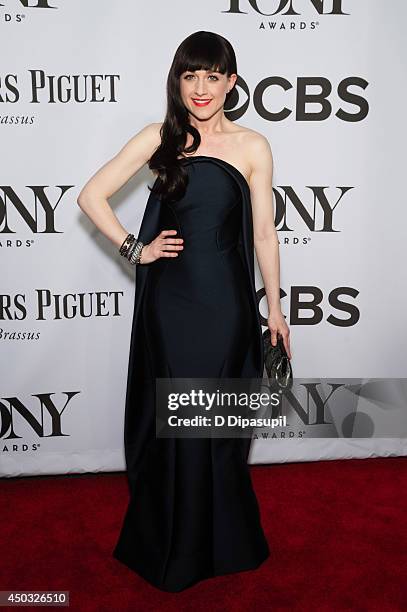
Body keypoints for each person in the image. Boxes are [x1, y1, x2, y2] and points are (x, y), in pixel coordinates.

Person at [77, 30, 291, 592]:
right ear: (178, 81)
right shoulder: (158, 137)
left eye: (212, 77)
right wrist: (135, 248)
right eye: (190, 76)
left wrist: (274, 308)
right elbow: (90, 196)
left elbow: (264, 235)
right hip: (170, 305)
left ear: (231, 83)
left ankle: (222, 543)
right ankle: (171, 545)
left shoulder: (252, 146)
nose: (201, 88)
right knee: (175, 426)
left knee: (218, 425)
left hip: (228, 306)